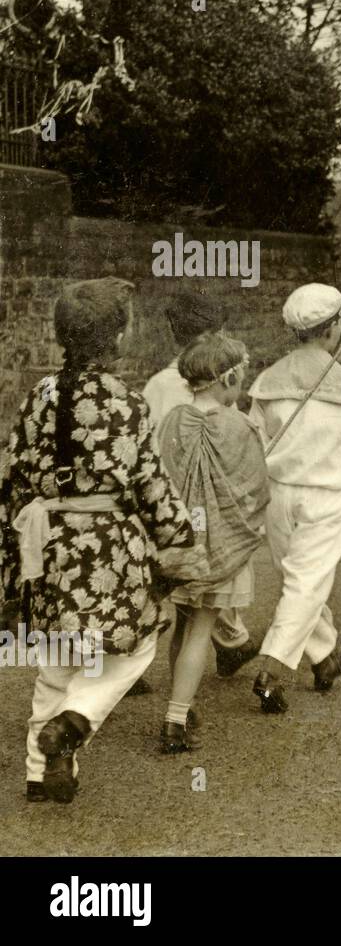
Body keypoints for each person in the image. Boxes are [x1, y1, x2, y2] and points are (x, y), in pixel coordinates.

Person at [0, 279, 194, 803]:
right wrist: (178, 534)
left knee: (58, 659)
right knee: (136, 640)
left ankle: (41, 774)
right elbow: (149, 480)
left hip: (47, 547)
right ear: (119, 336)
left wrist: (9, 562)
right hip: (109, 546)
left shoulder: (38, 396)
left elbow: (12, 477)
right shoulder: (125, 402)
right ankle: (76, 719)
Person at [247, 284, 341, 713]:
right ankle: (273, 669)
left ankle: (325, 657)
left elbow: (254, 438)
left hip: (278, 495)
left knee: (297, 580)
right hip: (327, 496)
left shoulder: (268, 379)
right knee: (306, 582)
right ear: (333, 328)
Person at [156, 333, 269, 753]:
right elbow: (254, 488)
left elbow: (162, 476)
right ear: (230, 378)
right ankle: (174, 720)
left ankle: (181, 707)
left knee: (184, 626)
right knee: (202, 628)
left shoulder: (172, 420)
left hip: (183, 541)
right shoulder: (239, 426)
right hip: (220, 545)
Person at [142, 289, 260, 684]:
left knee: (183, 603)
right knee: (202, 602)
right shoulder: (225, 399)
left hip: (169, 508)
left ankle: (228, 642)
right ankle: (181, 696)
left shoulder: (159, 385)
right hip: (208, 514)